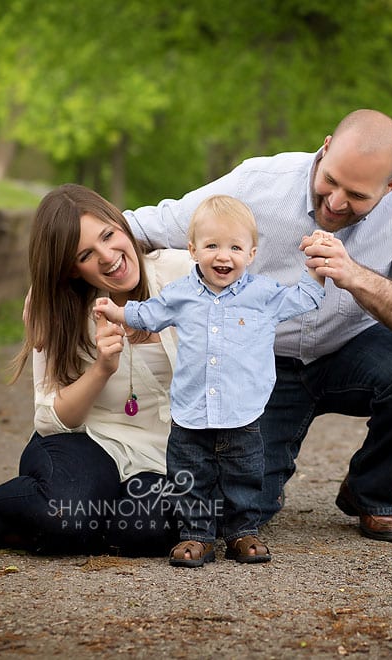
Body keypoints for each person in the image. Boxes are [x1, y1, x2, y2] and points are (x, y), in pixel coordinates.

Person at [125, 109, 392, 542]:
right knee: (238, 514)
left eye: (358, 196)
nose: (337, 202)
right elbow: (144, 228)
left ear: (391, 186)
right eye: (331, 182)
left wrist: (353, 274)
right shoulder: (258, 182)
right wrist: (61, 284)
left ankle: (372, 492)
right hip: (258, 365)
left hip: (351, 352)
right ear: (323, 151)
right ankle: (270, 476)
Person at [0, 183, 195, 555]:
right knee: (65, 518)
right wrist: (101, 369)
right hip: (90, 442)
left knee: (142, 532)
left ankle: (5, 524)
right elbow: (51, 419)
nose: (109, 256)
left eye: (109, 235)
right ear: (72, 270)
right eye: (86, 254)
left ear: (122, 225)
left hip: (166, 455)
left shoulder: (183, 274)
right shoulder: (60, 311)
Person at [94, 195, 326, 567]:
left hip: (242, 413)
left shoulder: (263, 296)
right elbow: (149, 314)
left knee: (246, 476)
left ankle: (242, 531)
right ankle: (195, 536)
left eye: (235, 247)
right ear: (193, 250)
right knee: (189, 478)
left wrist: (317, 267)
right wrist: (117, 311)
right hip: (190, 412)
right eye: (212, 245)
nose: (224, 256)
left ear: (251, 254)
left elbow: (306, 298)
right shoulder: (181, 294)